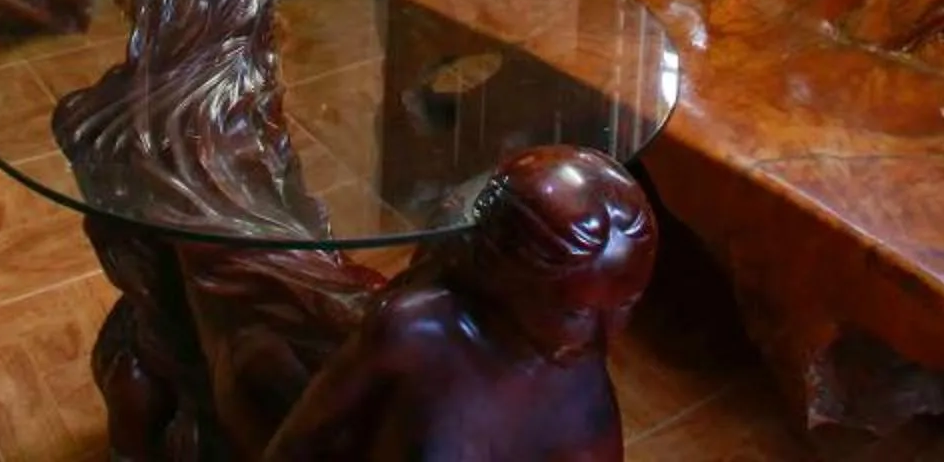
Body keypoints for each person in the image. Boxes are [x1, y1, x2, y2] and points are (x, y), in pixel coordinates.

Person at [261, 147, 656, 461]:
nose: (604, 340)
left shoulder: (577, 356)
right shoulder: (417, 334)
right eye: (575, 314)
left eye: (626, 306)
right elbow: (300, 443)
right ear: (508, 278)